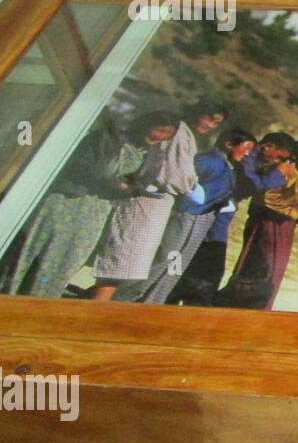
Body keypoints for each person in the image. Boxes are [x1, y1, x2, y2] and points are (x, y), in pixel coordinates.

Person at [0, 113, 171, 298]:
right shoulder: (106, 138)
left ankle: (39, 302)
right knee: (37, 249)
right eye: (159, 129)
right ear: (144, 123)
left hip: (99, 210)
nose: (160, 136)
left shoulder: (155, 155)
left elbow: (142, 183)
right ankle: (6, 297)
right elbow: (76, 165)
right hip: (68, 201)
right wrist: (108, 180)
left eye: (167, 134)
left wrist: (128, 189)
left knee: (68, 258)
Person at [91, 100, 226, 301]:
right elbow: (178, 175)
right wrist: (192, 187)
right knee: (122, 259)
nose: (209, 125)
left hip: (157, 203)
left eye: (216, 124)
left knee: (129, 262)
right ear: (198, 112)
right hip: (148, 200)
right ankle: (97, 304)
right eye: (209, 118)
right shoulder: (179, 132)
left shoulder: (185, 133)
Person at [115, 129, 255, 305]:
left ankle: (153, 303)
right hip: (186, 216)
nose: (248, 153)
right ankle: (122, 298)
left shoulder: (229, 166)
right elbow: (184, 181)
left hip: (202, 220)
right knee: (165, 260)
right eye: (246, 148)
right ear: (229, 144)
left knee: (175, 268)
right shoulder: (207, 161)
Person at [167, 131, 292, 306]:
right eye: (278, 157)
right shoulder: (247, 158)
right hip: (213, 211)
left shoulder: (251, 158)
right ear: (268, 146)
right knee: (209, 257)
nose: (277, 162)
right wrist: (277, 174)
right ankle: (195, 299)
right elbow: (250, 184)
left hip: (221, 211)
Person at [215, 140, 298, 310]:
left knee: (273, 271)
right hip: (268, 226)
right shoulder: (282, 172)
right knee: (263, 269)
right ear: (297, 155)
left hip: (284, 229)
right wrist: (297, 212)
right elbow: (268, 199)